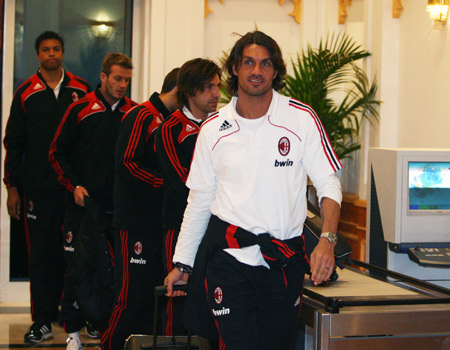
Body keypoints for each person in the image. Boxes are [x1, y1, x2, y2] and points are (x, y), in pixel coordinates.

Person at [165, 31, 342, 350]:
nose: (256, 71)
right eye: (248, 62)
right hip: (229, 258)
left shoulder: (301, 119)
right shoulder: (212, 129)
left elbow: (329, 183)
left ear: (276, 71)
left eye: (265, 63)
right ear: (234, 68)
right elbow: (199, 203)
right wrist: (183, 263)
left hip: (284, 260)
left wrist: (327, 241)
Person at [3, 30, 91, 343]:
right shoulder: (25, 92)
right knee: (41, 256)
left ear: (62, 52)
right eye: (45, 50)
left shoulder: (81, 89)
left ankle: (78, 317)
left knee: (75, 254)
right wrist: (12, 186)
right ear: (38, 55)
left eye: (56, 48)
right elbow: (13, 143)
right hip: (37, 191)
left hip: (72, 192)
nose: (51, 54)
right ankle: (41, 320)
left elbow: (89, 140)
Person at [49, 53, 136, 350]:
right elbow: (56, 153)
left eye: (127, 79)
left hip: (119, 209)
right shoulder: (79, 109)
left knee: (114, 271)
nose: (122, 85)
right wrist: (73, 185)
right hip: (82, 206)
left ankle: (104, 326)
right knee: (77, 267)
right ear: (103, 77)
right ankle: (72, 332)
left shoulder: (134, 113)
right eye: (117, 78)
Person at [102, 68, 180, 350]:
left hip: (159, 223)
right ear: (179, 89)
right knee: (130, 296)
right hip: (134, 221)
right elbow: (127, 163)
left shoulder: (172, 121)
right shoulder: (142, 115)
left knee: (152, 296)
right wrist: (167, 183)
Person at [155, 58, 221, 336]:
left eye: (218, 87)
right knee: (179, 299)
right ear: (190, 91)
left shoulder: (222, 125)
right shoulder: (171, 128)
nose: (216, 94)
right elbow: (184, 182)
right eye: (208, 88)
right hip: (180, 225)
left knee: (212, 299)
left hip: (218, 227)